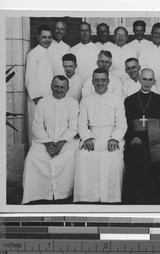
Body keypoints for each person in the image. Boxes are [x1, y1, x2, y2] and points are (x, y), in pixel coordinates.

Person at [22, 75, 79, 205]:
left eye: (62, 87)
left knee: (69, 157)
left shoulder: (73, 103)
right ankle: (37, 194)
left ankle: (63, 193)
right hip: (43, 142)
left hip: (65, 142)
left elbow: (73, 127)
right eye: (56, 86)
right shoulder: (43, 102)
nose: (59, 89)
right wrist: (48, 143)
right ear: (51, 86)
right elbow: (37, 126)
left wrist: (61, 143)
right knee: (32, 158)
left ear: (67, 88)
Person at [74, 68, 127, 203]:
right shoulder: (85, 100)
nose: (100, 83)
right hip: (92, 136)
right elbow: (81, 124)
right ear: (92, 82)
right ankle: (87, 197)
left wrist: (115, 138)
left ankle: (110, 197)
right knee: (84, 155)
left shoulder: (117, 100)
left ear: (108, 81)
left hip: (111, 136)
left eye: (103, 80)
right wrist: (87, 137)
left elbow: (121, 124)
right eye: (96, 80)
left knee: (113, 156)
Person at [123, 68, 160, 204]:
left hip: (155, 136)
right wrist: (132, 137)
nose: (147, 82)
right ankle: (137, 198)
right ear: (139, 79)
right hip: (137, 138)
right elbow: (125, 122)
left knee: (158, 158)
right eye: (144, 79)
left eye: (150, 80)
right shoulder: (129, 100)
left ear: (154, 81)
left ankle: (157, 198)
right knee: (137, 156)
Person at [25, 24, 54, 146]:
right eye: (44, 37)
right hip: (37, 99)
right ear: (38, 37)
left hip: (48, 97)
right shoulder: (33, 54)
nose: (47, 40)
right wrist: (37, 98)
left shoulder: (48, 52)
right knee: (36, 126)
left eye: (49, 37)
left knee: (47, 127)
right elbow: (30, 78)